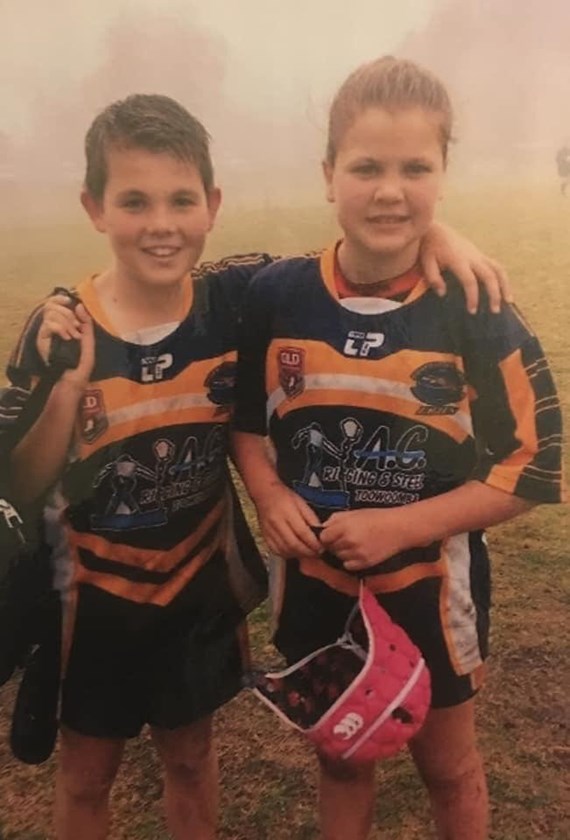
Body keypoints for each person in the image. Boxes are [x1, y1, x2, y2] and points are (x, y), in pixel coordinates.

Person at [2, 93, 512, 840]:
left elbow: (361, 242)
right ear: (94, 208)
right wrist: (66, 390)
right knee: (85, 778)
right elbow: (20, 485)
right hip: (92, 604)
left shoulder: (235, 300)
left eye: (181, 200)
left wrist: (437, 231)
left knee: (190, 759)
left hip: (194, 599)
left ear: (211, 206)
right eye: (134, 202)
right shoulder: (60, 329)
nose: (161, 223)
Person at [231, 57, 565, 840]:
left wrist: (402, 526)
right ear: (328, 174)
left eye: (415, 168)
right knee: (342, 759)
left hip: (430, 591)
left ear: (442, 175)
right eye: (367, 167)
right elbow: (244, 425)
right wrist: (270, 495)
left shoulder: (476, 308)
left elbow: (534, 468)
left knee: (448, 768)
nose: (390, 190)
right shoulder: (274, 296)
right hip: (314, 588)